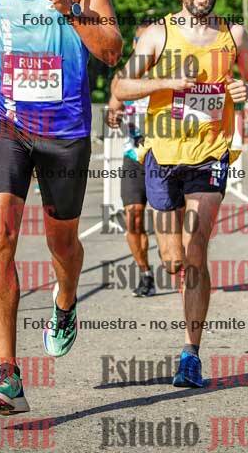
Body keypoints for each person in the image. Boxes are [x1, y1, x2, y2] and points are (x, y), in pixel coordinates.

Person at [0, 0, 122, 415]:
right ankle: (7, 374)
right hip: (5, 120)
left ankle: (66, 300)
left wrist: (71, 11)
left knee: (63, 244)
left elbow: (112, 50)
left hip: (64, 131)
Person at [111, 0, 248, 388]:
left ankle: (190, 354)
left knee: (197, 249)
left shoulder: (234, 34)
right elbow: (121, 86)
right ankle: (174, 273)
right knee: (173, 260)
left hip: (210, 155)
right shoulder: (158, 34)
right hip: (162, 156)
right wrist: (164, 83)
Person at [106, 24, 155, 297]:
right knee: (134, 218)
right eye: (140, 39)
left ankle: (182, 266)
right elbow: (112, 109)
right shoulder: (122, 78)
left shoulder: (168, 74)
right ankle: (145, 273)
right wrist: (113, 117)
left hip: (165, 158)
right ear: (135, 44)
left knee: (172, 221)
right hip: (133, 157)